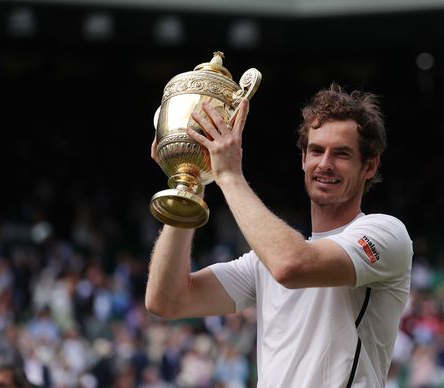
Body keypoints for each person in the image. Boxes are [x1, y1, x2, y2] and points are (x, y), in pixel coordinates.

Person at [146, 83, 414, 387]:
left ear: (369, 166)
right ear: (303, 159)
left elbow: (290, 264)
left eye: (341, 154)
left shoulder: (386, 234)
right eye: (316, 150)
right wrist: (190, 182)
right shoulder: (264, 262)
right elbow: (167, 300)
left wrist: (230, 176)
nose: (325, 164)